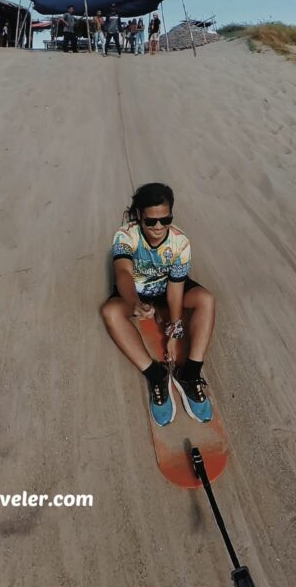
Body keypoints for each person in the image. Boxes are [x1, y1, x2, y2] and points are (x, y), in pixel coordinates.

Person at [100, 182, 215, 427]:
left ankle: (190, 374)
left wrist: (175, 331)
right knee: (109, 312)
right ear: (140, 216)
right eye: (151, 221)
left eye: (165, 219)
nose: (159, 227)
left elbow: (175, 290)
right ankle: (156, 374)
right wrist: (134, 303)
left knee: (206, 299)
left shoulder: (180, 242)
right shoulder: (126, 235)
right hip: (135, 291)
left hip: (167, 290)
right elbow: (122, 273)